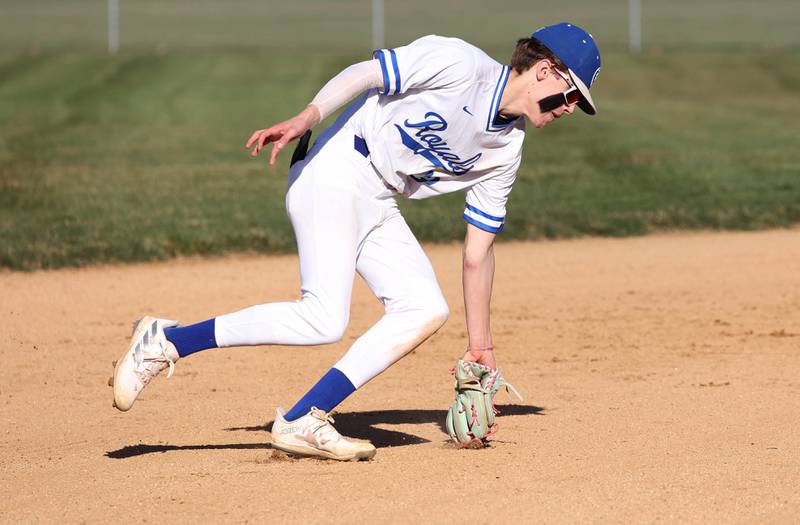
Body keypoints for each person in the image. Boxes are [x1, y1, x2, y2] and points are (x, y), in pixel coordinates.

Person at [111, 22, 601, 461]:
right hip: (337, 166)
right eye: (572, 94)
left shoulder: (507, 148)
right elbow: (368, 74)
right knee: (323, 318)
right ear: (544, 71)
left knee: (424, 308)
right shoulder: (460, 63)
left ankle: (305, 418)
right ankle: (166, 341)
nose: (571, 109)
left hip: (376, 197)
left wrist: (481, 346)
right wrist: (308, 116)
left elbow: (478, 252)